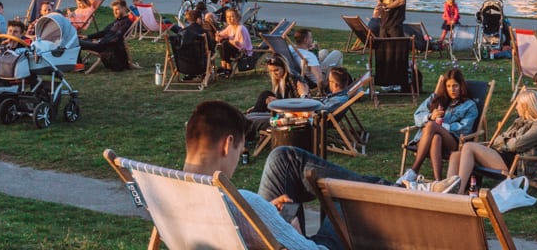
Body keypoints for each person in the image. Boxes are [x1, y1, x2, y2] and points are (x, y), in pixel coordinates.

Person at [181, 101, 456, 250]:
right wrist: (286, 229)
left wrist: (269, 215)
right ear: (227, 145)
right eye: (239, 149)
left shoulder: (163, 192)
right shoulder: (244, 204)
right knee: (345, 198)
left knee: (282, 158)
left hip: (255, 231)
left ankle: (400, 187)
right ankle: (402, 191)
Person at [449, 89, 537, 194]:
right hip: (501, 155)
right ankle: (449, 190)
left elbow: (516, 145)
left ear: (526, 106)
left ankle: (459, 192)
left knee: (468, 146)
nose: (516, 107)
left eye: (518, 104)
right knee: (456, 155)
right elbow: (497, 140)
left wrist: (504, 141)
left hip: (515, 164)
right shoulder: (520, 121)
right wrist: (506, 141)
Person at [398, 68, 479, 184]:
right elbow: (417, 116)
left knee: (431, 126)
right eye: (449, 86)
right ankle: (438, 181)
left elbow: (465, 128)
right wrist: (431, 115)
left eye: (455, 86)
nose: (452, 90)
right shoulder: (435, 98)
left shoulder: (469, 105)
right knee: (436, 137)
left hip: (452, 141)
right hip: (426, 140)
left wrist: (441, 126)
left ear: (461, 86)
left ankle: (413, 170)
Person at [215, 7, 253, 75]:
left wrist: (234, 42)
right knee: (221, 44)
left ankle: (227, 66)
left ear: (237, 18)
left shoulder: (241, 29)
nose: (229, 19)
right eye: (227, 17)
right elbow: (222, 35)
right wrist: (218, 36)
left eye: (232, 16)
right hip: (233, 49)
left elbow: (243, 46)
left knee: (225, 43)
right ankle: (224, 64)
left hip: (243, 51)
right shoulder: (230, 27)